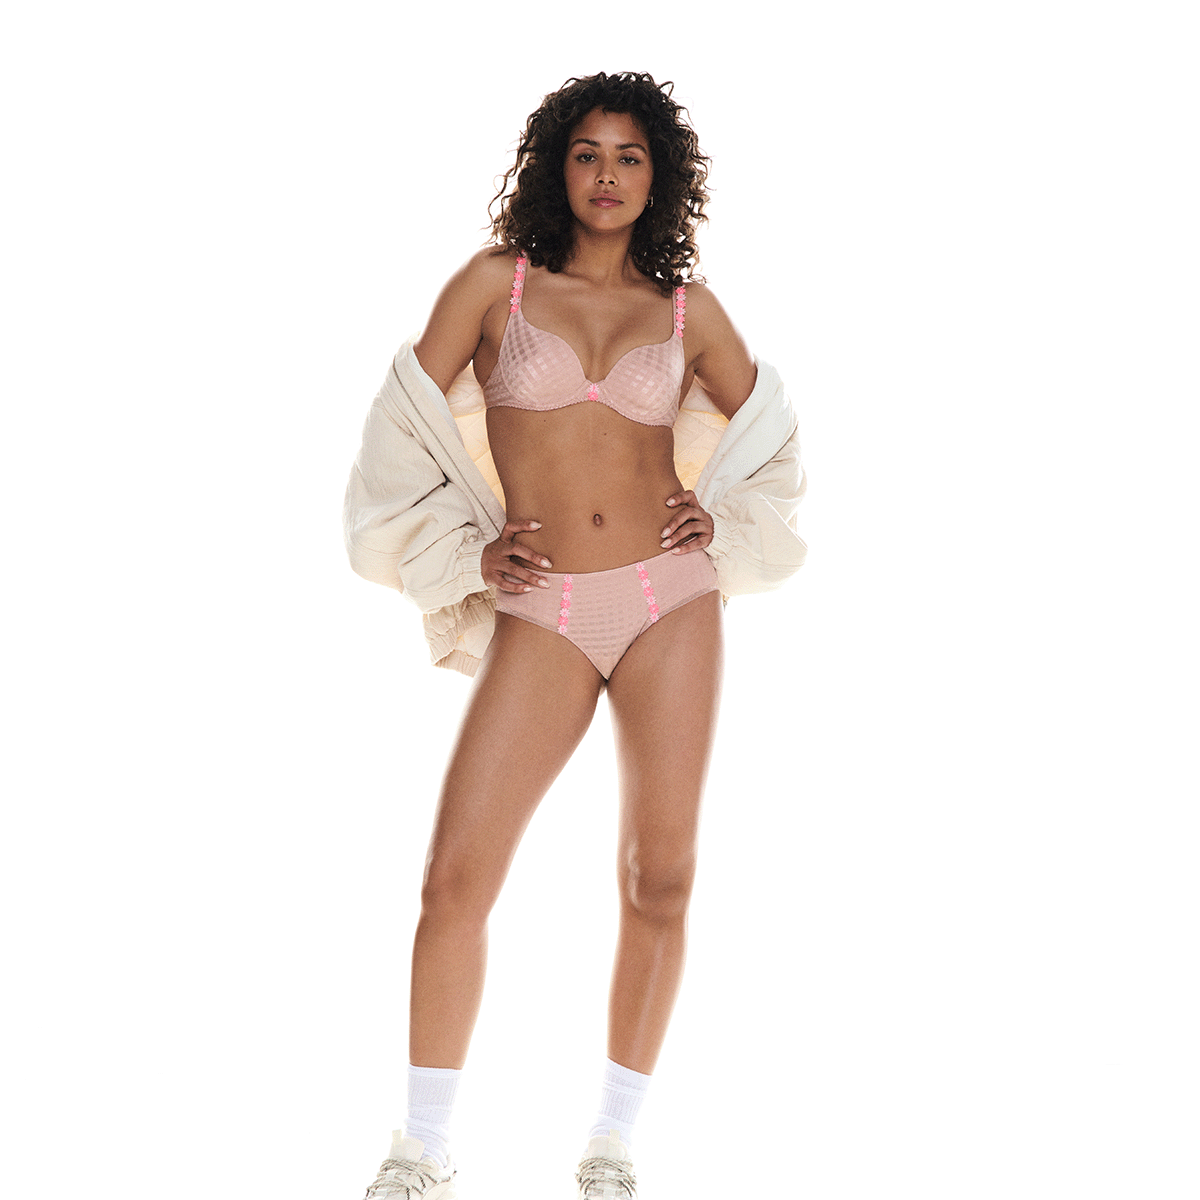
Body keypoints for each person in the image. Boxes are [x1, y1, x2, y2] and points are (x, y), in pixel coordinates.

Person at [343, 70, 807, 1199]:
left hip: (669, 599)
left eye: (631, 156)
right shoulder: (493, 286)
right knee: (456, 877)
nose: (608, 174)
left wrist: (722, 522)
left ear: (661, 178)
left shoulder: (687, 311)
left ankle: (611, 1144)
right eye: (589, 152)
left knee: (661, 876)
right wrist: (471, 553)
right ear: (559, 165)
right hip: (543, 605)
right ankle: (421, 1148)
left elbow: (774, 442)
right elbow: (398, 433)